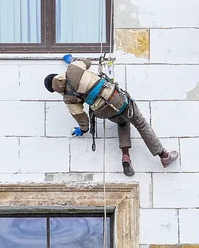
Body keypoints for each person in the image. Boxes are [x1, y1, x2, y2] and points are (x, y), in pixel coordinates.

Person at [44, 54, 178, 177]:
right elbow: (87, 62)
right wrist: (71, 60)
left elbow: (82, 118)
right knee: (140, 123)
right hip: (114, 98)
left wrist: (82, 130)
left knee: (122, 122)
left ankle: (126, 156)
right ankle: (164, 156)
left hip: (102, 111)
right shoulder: (72, 69)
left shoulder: (67, 99)